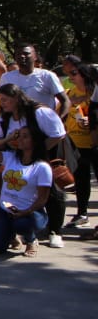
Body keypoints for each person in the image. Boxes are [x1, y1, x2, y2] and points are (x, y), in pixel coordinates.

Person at [0, 127, 53, 256]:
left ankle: (31, 239)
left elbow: (42, 199)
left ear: (35, 141)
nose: (20, 139)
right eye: (19, 136)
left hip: (29, 212)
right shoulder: (11, 157)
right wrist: (8, 138)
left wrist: (26, 211)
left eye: (25, 136)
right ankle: (11, 234)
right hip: (7, 209)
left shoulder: (42, 167)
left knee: (22, 223)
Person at [64, 63, 97, 229]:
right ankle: (82, 214)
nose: (71, 76)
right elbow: (60, 115)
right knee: (81, 180)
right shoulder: (69, 94)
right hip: (75, 145)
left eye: (74, 73)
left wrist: (90, 121)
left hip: (93, 143)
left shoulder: (95, 94)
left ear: (84, 76)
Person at [0, 44, 69, 115]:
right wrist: (1, 123)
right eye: (18, 54)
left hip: (42, 123)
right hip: (16, 124)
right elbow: (2, 104)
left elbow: (65, 101)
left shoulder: (47, 76)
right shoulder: (6, 77)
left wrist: (58, 121)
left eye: (26, 54)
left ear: (35, 57)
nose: (22, 56)